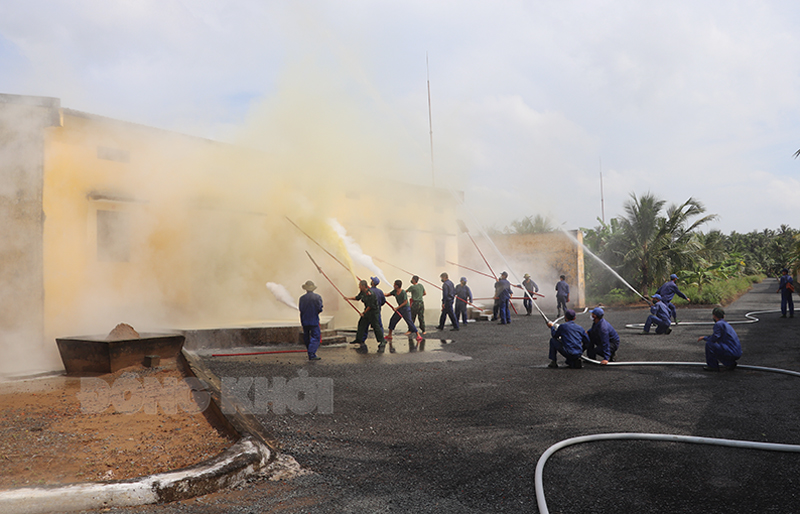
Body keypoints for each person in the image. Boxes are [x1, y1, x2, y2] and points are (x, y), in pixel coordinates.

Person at [347, 279, 387, 353]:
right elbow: (357, 298)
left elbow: (370, 305)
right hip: (367, 311)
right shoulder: (362, 292)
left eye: (360, 286)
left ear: (363, 286)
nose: (359, 287)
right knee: (361, 324)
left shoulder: (370, 293)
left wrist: (363, 313)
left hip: (373, 312)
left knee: (376, 326)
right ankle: (359, 339)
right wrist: (348, 298)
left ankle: (382, 341)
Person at [697, 307, 742, 371]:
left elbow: (715, 337)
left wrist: (704, 338)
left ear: (714, 316)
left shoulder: (718, 324)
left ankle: (713, 366)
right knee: (720, 347)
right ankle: (729, 363)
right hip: (737, 352)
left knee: (709, 345)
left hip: (731, 352)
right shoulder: (726, 324)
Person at [298, 280, 323, 361]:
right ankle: (311, 354)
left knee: (306, 336)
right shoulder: (317, 297)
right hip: (314, 320)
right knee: (316, 336)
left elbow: (301, 309)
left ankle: (310, 351)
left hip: (304, 320)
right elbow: (319, 308)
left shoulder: (302, 298)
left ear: (306, 289)